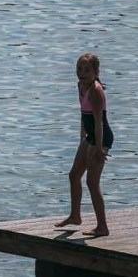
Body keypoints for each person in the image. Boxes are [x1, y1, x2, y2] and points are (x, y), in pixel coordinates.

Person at [55, 53, 114, 237]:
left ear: (96, 72)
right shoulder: (81, 86)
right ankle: (75, 216)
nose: (82, 73)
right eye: (79, 69)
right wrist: (83, 138)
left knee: (92, 182)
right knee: (74, 175)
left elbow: (98, 122)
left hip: (101, 138)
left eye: (87, 70)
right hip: (89, 137)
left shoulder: (96, 91)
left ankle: (102, 227)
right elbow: (83, 115)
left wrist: (97, 149)